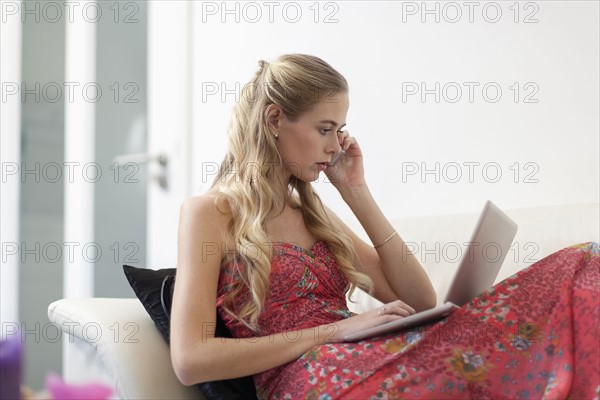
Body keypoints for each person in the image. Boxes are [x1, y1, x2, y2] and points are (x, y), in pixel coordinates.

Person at [170, 54, 599, 399]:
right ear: (275, 119)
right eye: (324, 129)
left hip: (368, 355)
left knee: (583, 262)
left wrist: (356, 191)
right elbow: (191, 360)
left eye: (339, 131)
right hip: (313, 379)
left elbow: (417, 298)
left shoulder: (315, 216)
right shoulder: (210, 213)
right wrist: (336, 330)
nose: (335, 145)